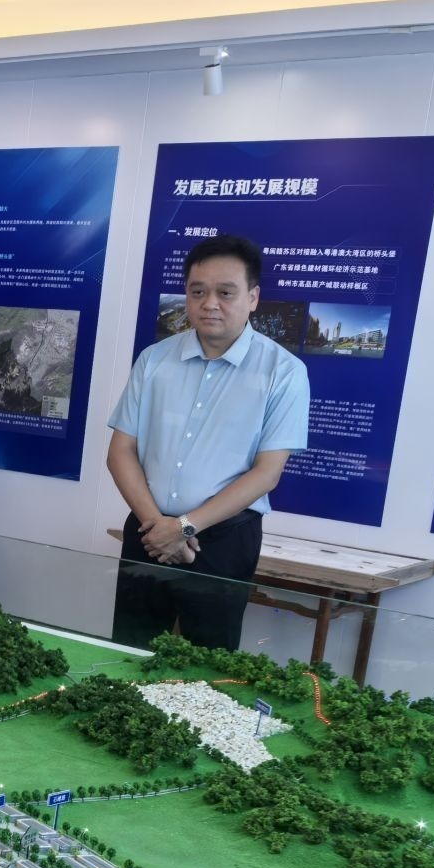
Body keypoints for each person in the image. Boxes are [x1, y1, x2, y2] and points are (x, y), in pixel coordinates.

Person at [107, 234, 309, 650]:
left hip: (223, 541)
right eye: (197, 292)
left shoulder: (283, 372)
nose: (209, 303)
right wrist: (159, 528)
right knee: (128, 653)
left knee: (208, 665)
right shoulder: (154, 360)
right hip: (148, 531)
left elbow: (267, 473)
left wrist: (183, 528)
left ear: (253, 298)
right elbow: (120, 452)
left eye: (225, 292)